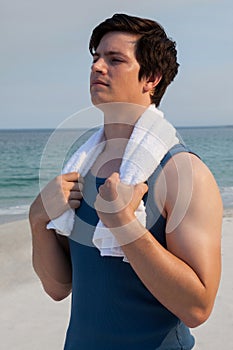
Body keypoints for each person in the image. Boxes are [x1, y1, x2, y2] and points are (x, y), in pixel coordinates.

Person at [29, 13, 222, 350]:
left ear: (151, 78)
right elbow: (59, 287)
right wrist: (37, 218)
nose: (97, 67)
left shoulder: (182, 172)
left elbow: (197, 307)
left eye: (114, 59)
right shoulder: (82, 165)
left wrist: (125, 226)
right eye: (96, 58)